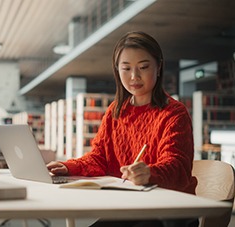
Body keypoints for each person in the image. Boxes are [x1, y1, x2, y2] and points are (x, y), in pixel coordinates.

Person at [47, 31, 198, 227]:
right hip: (131, 207)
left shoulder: (174, 112)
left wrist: (149, 173)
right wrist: (69, 167)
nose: (134, 76)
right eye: (126, 68)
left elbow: (178, 167)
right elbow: (99, 158)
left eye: (143, 67)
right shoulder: (115, 111)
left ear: (159, 67)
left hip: (171, 210)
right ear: (117, 70)